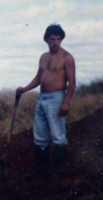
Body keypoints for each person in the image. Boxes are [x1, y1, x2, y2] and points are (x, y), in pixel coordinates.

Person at [17, 24, 76, 178]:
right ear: (46, 40)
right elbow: (38, 78)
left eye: (58, 39)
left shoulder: (67, 58)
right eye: (52, 39)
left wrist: (66, 102)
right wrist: (25, 89)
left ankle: (59, 172)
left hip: (57, 98)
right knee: (40, 135)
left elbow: (72, 82)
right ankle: (40, 170)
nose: (55, 42)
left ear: (61, 40)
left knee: (57, 135)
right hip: (42, 98)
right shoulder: (43, 57)